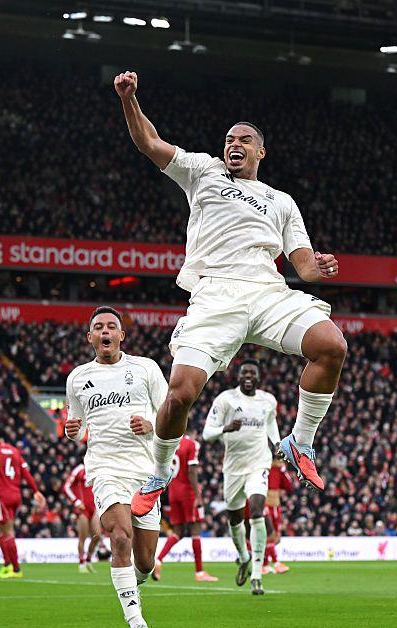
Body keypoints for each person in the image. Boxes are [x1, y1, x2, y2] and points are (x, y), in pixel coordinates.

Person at [114, 71, 347, 517]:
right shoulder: (203, 171)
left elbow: (302, 265)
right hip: (216, 295)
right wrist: (130, 100)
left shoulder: (281, 201)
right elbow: (149, 142)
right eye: (228, 139)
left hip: (267, 293)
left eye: (243, 140)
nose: (233, 145)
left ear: (260, 151)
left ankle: (301, 440)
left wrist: (318, 267)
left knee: (331, 346)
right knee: (180, 393)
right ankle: (160, 470)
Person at [64, 306, 168, 628]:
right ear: (90, 336)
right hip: (105, 468)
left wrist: (152, 425)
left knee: (146, 562)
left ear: (122, 335)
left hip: (146, 472)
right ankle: (137, 623)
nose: (105, 331)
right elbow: (77, 426)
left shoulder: (145, 368)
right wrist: (72, 431)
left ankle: (131, 583)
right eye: (99, 327)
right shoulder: (78, 378)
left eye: (112, 326)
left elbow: (173, 412)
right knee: (120, 536)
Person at [202, 360, 281, 595]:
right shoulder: (226, 400)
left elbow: (271, 424)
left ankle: (257, 574)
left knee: (257, 510)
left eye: (252, 373)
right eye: (244, 372)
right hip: (233, 468)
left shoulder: (268, 401)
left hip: (259, 463)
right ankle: (243, 556)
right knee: (235, 519)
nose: (248, 376)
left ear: (258, 377)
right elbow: (207, 434)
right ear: (238, 377)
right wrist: (225, 428)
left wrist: (277, 443)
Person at [0, 427, 45, 579]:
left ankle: (16, 569)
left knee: (7, 530)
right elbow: (26, 473)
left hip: (2, 496)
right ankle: (7, 564)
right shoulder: (15, 451)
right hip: (16, 496)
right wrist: (35, 490)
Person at [154, 433, 218, 582]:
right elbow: (192, 470)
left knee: (178, 532)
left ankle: (158, 560)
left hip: (173, 492)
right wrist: (198, 495)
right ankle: (200, 572)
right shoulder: (192, 444)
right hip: (188, 493)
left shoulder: (171, 443)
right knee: (196, 529)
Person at [63, 462, 104, 573]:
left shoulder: (96, 467)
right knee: (83, 537)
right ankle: (81, 563)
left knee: (97, 535)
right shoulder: (79, 469)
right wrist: (76, 501)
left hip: (94, 507)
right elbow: (66, 487)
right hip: (82, 509)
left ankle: (88, 559)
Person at [264, 456, 294, 574]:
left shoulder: (276, 469)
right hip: (267, 503)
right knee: (269, 532)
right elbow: (288, 486)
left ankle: (265, 564)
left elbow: (288, 486)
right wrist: (283, 471)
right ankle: (275, 562)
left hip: (273, 503)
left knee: (271, 534)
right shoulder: (270, 468)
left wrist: (283, 471)